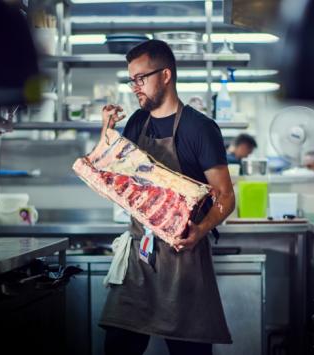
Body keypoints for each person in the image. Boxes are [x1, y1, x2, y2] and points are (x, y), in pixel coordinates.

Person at [99, 40, 235, 355]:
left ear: (166, 76)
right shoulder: (135, 123)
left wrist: (200, 231)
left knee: (190, 350)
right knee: (118, 347)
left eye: (141, 78)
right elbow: (112, 180)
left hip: (183, 261)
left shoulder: (200, 129)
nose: (135, 87)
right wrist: (106, 133)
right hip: (139, 258)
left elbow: (226, 196)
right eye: (131, 79)